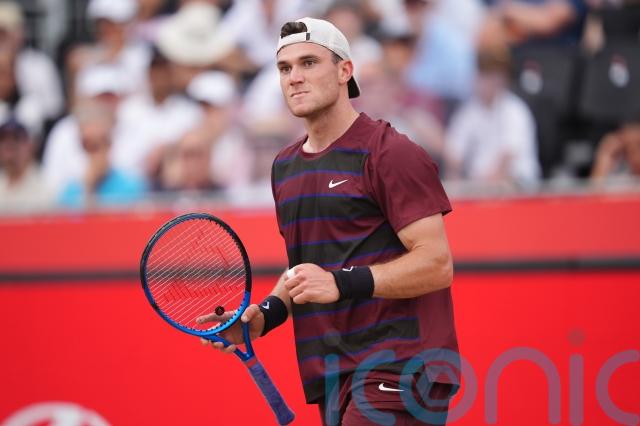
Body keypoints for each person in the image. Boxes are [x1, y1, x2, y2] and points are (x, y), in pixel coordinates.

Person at [199, 17, 459, 425]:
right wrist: (265, 315)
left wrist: (340, 282)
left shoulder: (390, 152)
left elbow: (436, 263)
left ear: (345, 71)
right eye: (284, 68)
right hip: (333, 372)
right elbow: (307, 269)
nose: (294, 78)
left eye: (309, 63)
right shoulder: (285, 166)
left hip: (403, 363)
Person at [445, 44, 541, 186]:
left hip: (518, 185)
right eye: (486, 74)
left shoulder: (514, 110)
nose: (491, 81)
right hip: (477, 186)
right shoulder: (468, 111)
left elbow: (507, 160)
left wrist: (482, 186)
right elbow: (453, 156)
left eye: (496, 75)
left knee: (506, 184)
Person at [0, 118, 54, 213]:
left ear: (30, 145)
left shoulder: (45, 185)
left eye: (16, 139)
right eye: (3, 140)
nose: (9, 146)